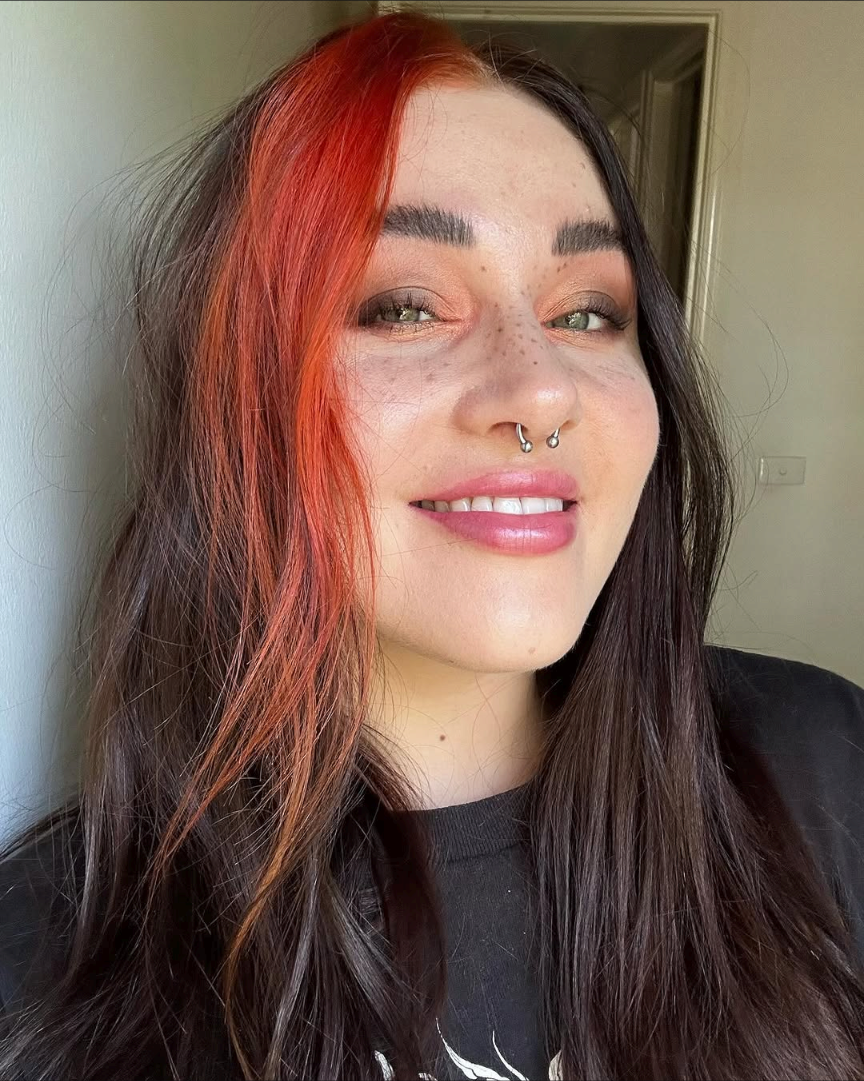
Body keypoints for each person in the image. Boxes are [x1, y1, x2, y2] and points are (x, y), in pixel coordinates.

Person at [1, 9, 863, 1080]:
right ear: (236, 396)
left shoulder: (824, 768)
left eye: (589, 313)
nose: (542, 391)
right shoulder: (44, 956)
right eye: (406, 306)